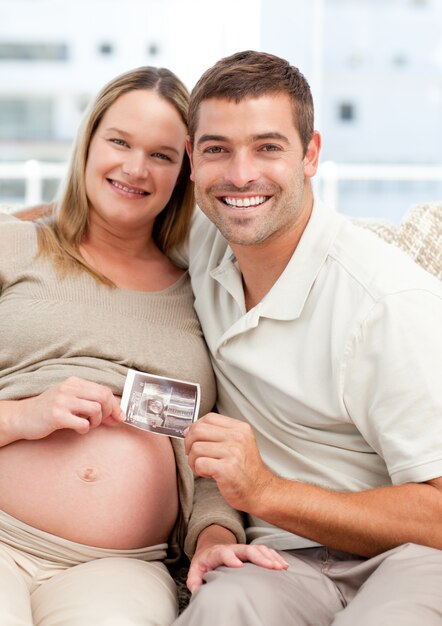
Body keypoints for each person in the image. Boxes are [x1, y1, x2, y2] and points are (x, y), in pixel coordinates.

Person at [0, 65, 285, 626]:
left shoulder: (205, 290)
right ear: (88, 144)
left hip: (121, 568)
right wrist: (22, 417)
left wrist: (213, 537)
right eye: (119, 141)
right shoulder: (14, 246)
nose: (135, 168)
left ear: (185, 172)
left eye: (160, 155)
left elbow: (209, 454)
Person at [171, 50, 442, 625]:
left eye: (268, 147)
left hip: (413, 554)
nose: (241, 174)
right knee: (218, 611)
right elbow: (88, 220)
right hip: (281, 559)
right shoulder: (203, 236)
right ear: (193, 160)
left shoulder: (387, 302)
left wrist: (265, 492)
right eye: (218, 149)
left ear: (311, 154)